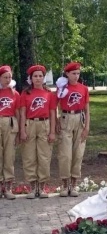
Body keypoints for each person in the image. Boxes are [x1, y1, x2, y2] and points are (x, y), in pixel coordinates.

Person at [19, 65, 56, 199]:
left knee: (44, 156)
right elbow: (22, 113)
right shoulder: (25, 93)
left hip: (44, 124)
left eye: (40, 76)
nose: (38, 78)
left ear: (43, 77)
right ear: (31, 78)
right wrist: (22, 130)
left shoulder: (49, 94)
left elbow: (53, 113)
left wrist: (52, 131)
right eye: (35, 76)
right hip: (30, 123)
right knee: (29, 156)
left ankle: (42, 186)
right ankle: (32, 186)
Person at [56, 62, 90, 197]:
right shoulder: (62, 88)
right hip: (66, 118)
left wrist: (87, 126)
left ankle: (74, 183)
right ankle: (65, 183)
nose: (76, 76)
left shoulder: (84, 89)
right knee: (65, 154)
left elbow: (87, 110)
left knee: (78, 153)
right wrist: (57, 120)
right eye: (73, 73)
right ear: (67, 74)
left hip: (79, 118)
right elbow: (54, 106)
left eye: (78, 73)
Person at [0, 65, 20, 200]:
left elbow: (18, 112)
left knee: (9, 155)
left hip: (10, 123)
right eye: (5, 77)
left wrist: (19, 131)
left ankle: (8, 187)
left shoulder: (15, 93)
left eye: (9, 77)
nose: (7, 80)